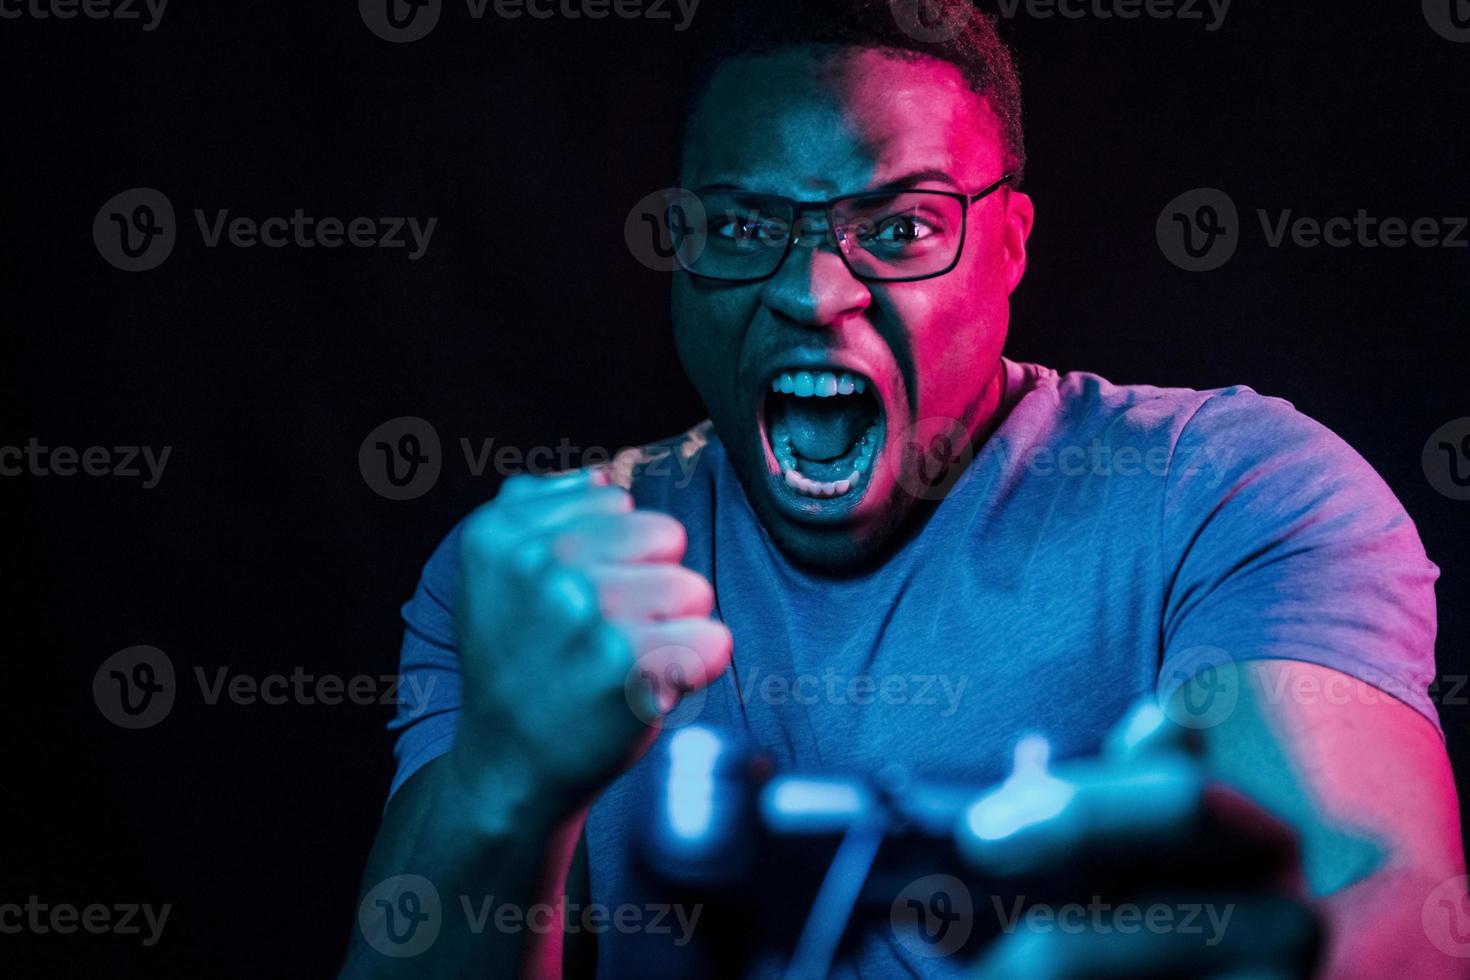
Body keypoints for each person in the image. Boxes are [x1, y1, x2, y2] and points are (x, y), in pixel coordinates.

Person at [341, 1, 1465, 976]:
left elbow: (1397, 920)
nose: (813, 290)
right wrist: (501, 791)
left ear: (1011, 245)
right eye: (742, 226)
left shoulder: (1228, 495)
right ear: (681, 252)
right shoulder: (542, 580)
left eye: (902, 226)